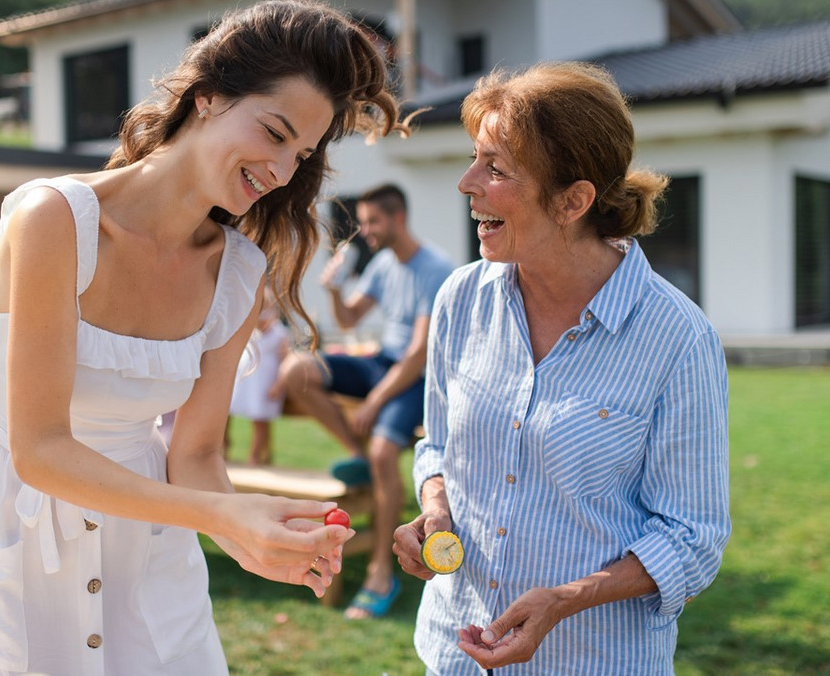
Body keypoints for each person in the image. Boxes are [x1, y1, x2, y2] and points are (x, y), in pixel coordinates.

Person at [0, 3, 407, 675]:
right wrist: (219, 517)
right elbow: (40, 451)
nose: (284, 171)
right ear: (209, 95)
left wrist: (254, 536)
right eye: (274, 132)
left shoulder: (239, 272)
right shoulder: (53, 220)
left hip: (146, 540)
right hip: (14, 526)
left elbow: (196, 453)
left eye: (303, 154)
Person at [392, 61, 731, 674]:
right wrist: (435, 506)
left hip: (591, 660)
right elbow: (437, 446)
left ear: (573, 200)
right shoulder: (460, 299)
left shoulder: (678, 339)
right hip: (454, 650)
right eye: (475, 159)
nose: (468, 183)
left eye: (495, 169)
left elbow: (693, 537)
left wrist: (565, 600)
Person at [275, 183, 453, 619]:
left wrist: (374, 401)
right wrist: (334, 288)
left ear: (398, 219)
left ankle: (381, 573)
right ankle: (361, 459)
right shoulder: (383, 264)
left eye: (373, 222)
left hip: (417, 376)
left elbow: (418, 354)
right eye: (365, 221)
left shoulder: (436, 267)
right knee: (297, 372)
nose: (366, 231)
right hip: (381, 361)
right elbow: (350, 317)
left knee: (384, 450)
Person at [228, 284, 288, 465]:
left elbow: (285, 359)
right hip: (247, 384)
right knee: (228, 415)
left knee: (260, 421)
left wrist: (279, 384)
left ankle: (255, 456)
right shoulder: (250, 332)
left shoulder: (279, 334)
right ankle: (224, 448)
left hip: (265, 385)